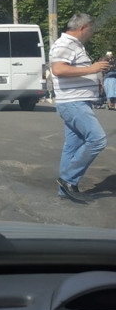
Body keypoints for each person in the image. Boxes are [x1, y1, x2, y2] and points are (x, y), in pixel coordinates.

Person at [49, 13, 110, 203]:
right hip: (73, 102)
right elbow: (58, 69)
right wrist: (92, 69)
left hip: (76, 102)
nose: (92, 33)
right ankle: (68, 180)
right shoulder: (65, 44)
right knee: (98, 139)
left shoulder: (75, 45)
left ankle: (66, 190)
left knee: (72, 146)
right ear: (83, 28)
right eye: (91, 29)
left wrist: (95, 72)